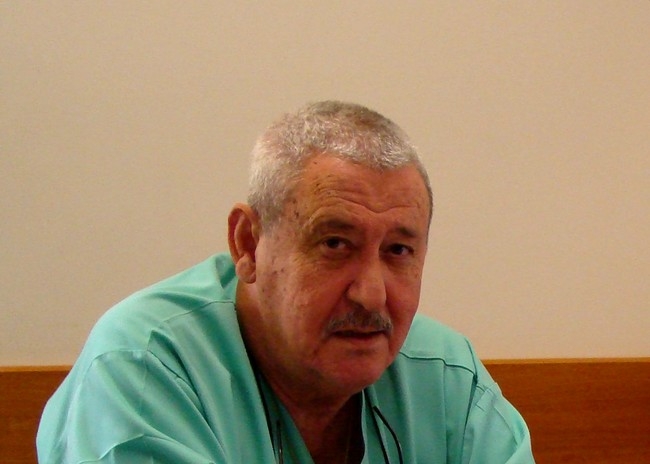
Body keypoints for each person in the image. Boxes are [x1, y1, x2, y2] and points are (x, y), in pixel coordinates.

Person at [37, 101, 534, 463]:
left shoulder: (446, 377)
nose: (371, 294)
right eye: (335, 244)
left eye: (398, 251)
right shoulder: (145, 366)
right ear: (248, 244)